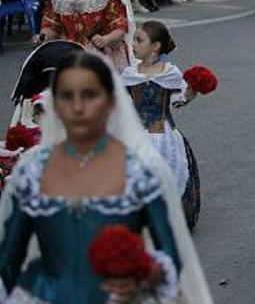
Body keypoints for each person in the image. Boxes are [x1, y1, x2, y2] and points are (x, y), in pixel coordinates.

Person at [0, 51, 213, 302]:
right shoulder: (31, 171)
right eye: (68, 97)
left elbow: (168, 248)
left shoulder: (139, 171)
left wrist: (139, 273)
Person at [122, 21, 202, 229]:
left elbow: (180, 98)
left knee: (170, 171)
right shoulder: (130, 73)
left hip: (163, 134)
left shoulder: (170, 73)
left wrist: (192, 91)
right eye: (134, 40)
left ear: (155, 46)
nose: (133, 44)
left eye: (139, 40)